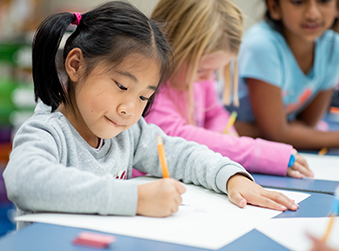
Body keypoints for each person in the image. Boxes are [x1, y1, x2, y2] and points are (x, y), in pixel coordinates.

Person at [2, 1, 299, 230]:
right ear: (76, 65)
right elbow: (24, 181)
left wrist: (231, 177)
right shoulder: (47, 131)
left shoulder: (128, 133)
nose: (129, 108)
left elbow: (180, 153)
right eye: (121, 86)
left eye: (144, 96)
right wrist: (137, 199)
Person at [143, 0, 313, 178]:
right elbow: (180, 138)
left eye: (215, 71)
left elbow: (215, 113)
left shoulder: (197, 79)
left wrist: (224, 136)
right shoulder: (150, 91)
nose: (209, 78)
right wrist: (262, 154)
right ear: (169, 45)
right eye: (201, 70)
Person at [225, 0, 339, 150]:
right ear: (274, 7)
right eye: (298, 2)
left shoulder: (332, 47)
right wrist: (283, 132)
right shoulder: (262, 45)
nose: (312, 14)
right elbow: (277, 134)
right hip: (223, 143)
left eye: (323, 1)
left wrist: (263, 131)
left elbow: (307, 125)